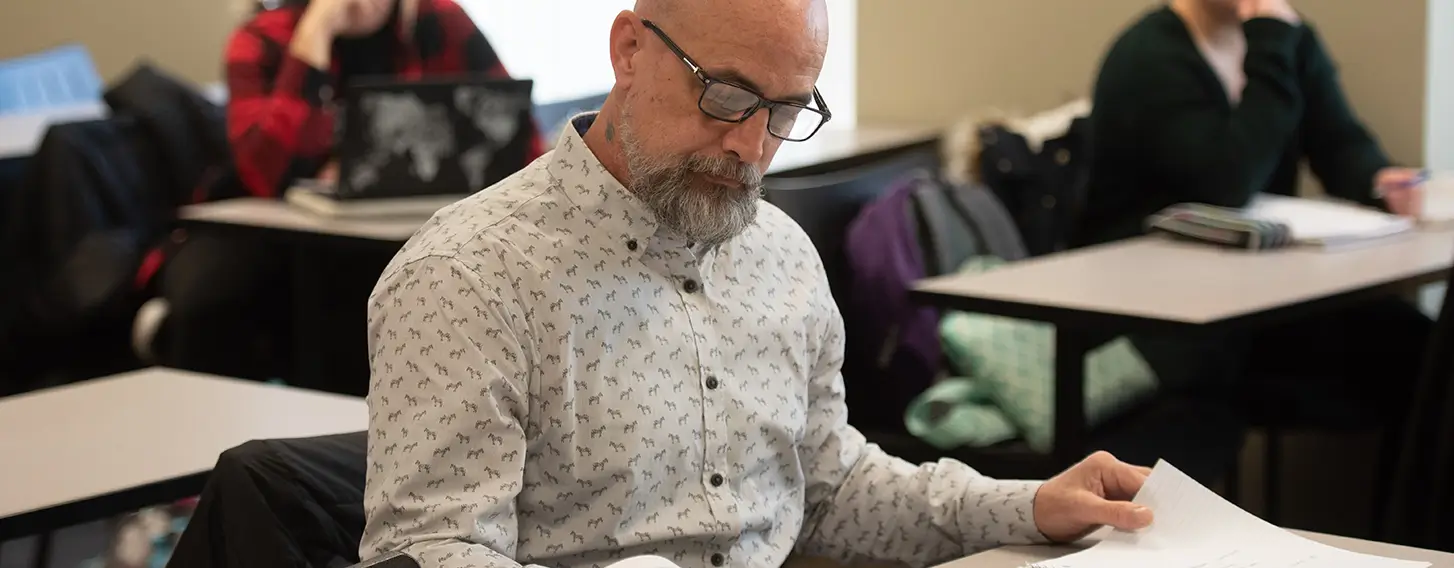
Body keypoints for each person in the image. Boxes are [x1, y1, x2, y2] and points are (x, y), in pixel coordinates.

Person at [360, 1, 1157, 567]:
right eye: (728, 94)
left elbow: (826, 487)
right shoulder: (468, 277)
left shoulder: (779, 251)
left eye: (785, 110)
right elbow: (429, 550)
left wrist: (1025, 506)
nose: (749, 144)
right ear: (630, 50)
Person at [1075, 0, 1430, 420]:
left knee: (1420, 346)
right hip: (1159, 316)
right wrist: (1272, 46)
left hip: (1253, 297)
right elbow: (1226, 181)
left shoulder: (1285, 38)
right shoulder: (1149, 56)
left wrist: (1379, 180)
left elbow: (1340, 143)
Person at [156, 0, 542, 380]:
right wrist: (314, 36)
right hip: (270, 230)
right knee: (212, 299)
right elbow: (266, 171)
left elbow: (521, 141)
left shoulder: (440, 20)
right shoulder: (262, 37)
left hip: (406, 230)